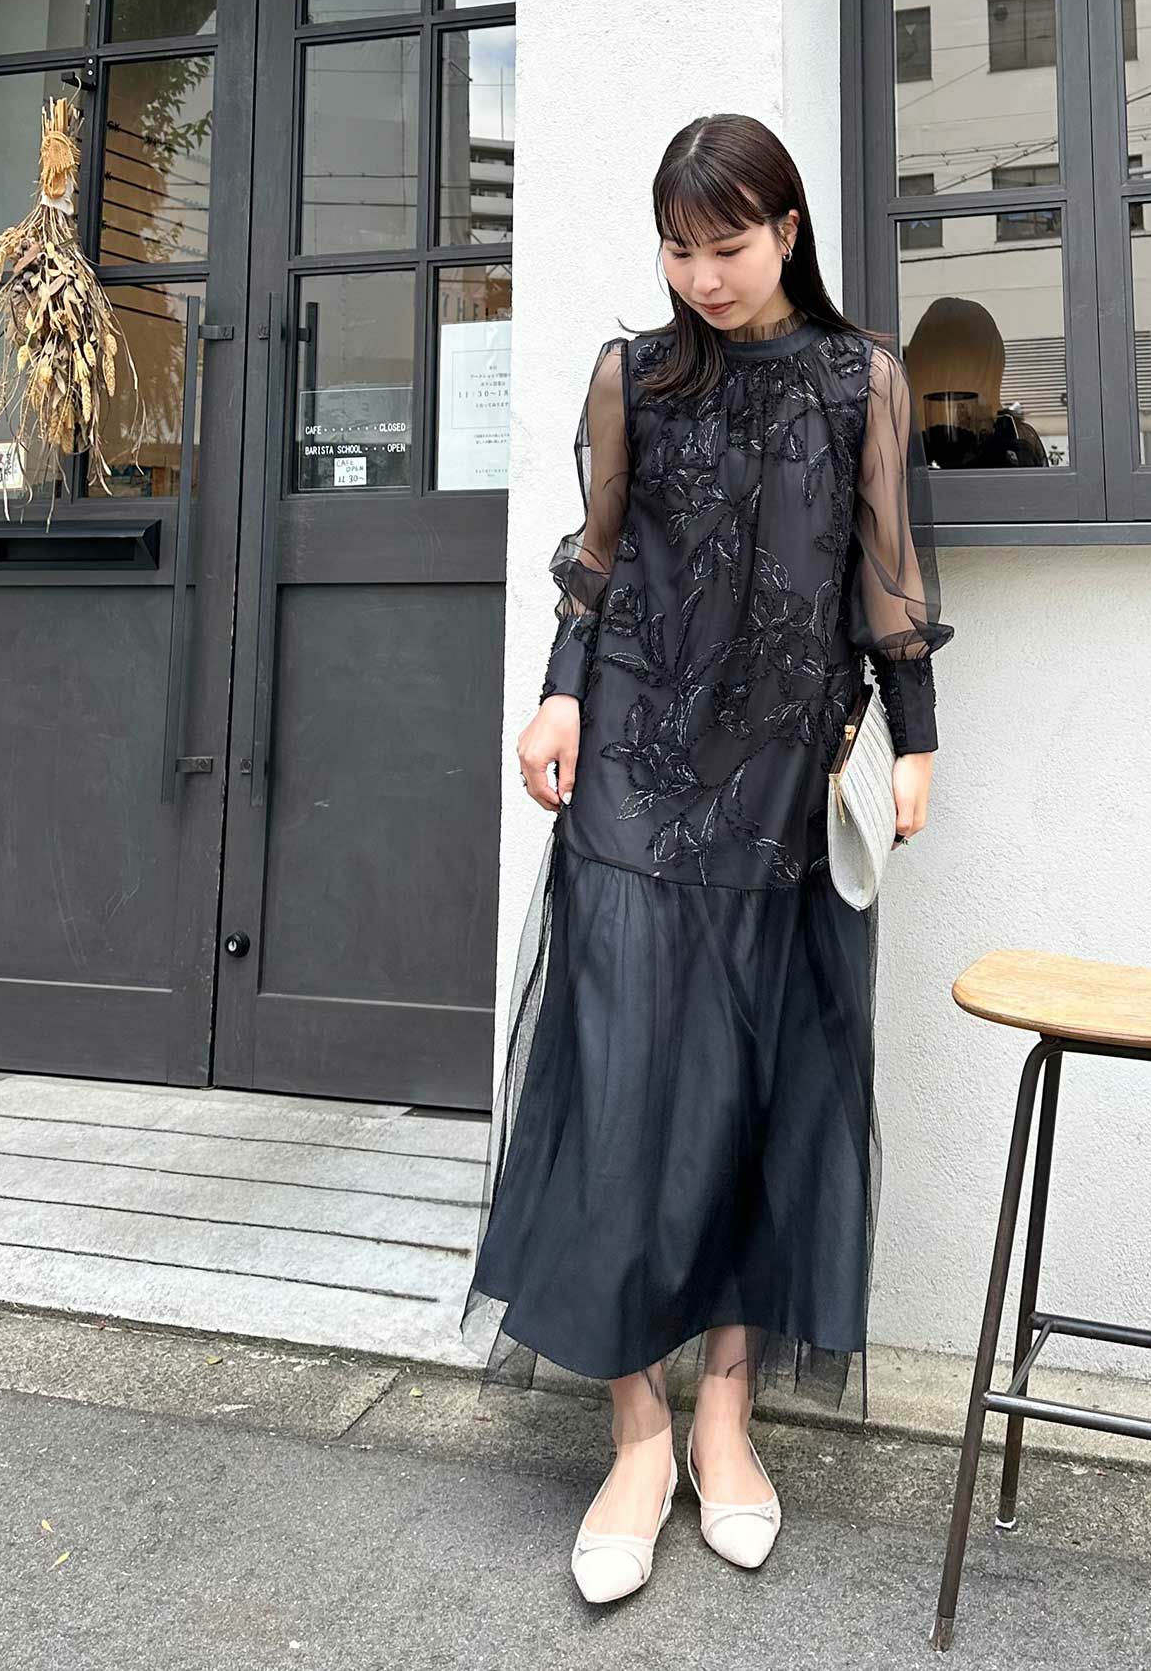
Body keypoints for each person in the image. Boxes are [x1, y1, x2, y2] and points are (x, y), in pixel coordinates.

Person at [460, 112, 952, 1603]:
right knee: (618, 1086)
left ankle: (727, 1417)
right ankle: (637, 1434)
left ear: (787, 231)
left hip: (782, 781)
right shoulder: (634, 377)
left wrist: (915, 735)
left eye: (726, 247)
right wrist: (558, 692)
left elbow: (886, 571)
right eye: (678, 250)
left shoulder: (860, 378)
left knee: (755, 1092)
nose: (702, 277)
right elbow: (597, 559)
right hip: (629, 766)